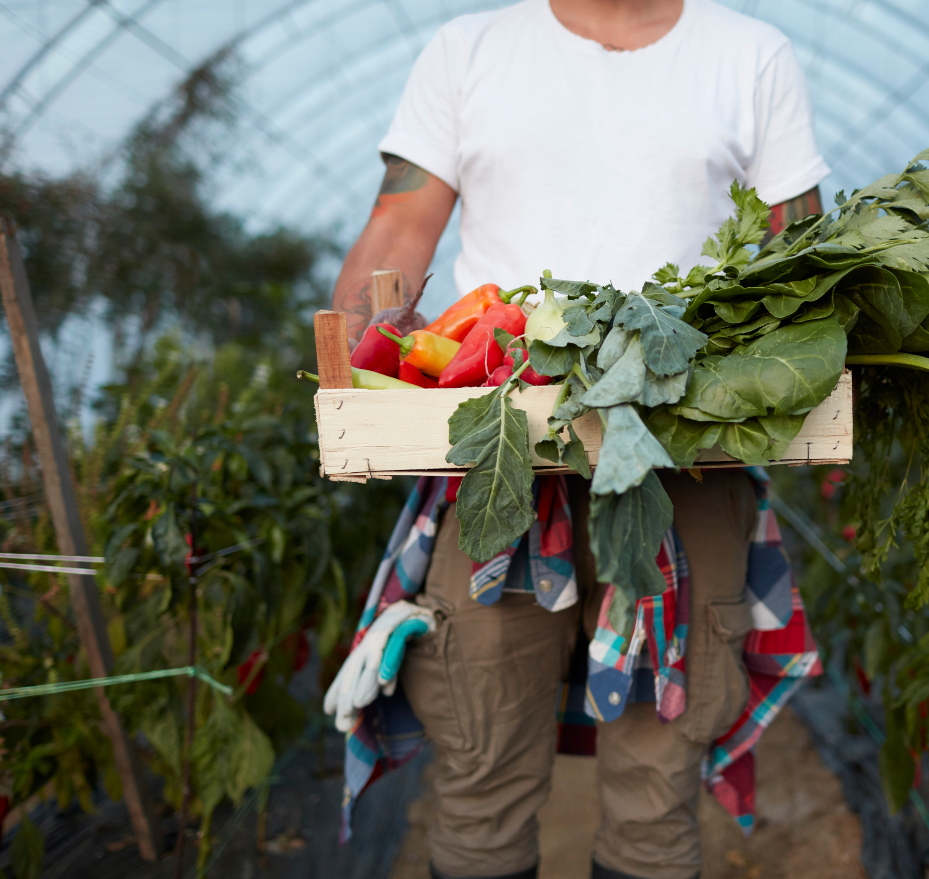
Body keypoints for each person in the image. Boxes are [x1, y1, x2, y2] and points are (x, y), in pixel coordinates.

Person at [329, 2, 828, 878]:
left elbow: (803, 255)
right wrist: (359, 358)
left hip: (689, 464)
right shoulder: (470, 49)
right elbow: (401, 227)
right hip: (499, 461)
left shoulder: (751, 55)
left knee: (656, 783)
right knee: (478, 759)